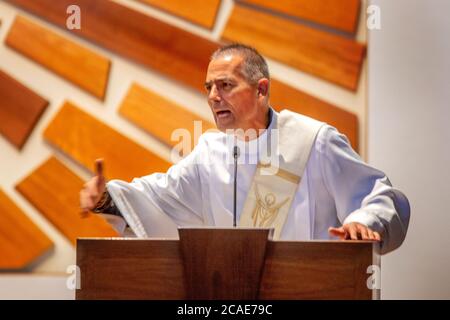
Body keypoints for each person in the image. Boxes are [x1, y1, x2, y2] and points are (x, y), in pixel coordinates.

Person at [80, 44, 410, 254]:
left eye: (225, 85)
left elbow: (379, 194)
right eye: (209, 87)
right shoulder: (210, 152)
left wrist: (364, 220)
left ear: (261, 90)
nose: (212, 96)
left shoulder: (314, 142)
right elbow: (159, 197)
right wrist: (107, 198)